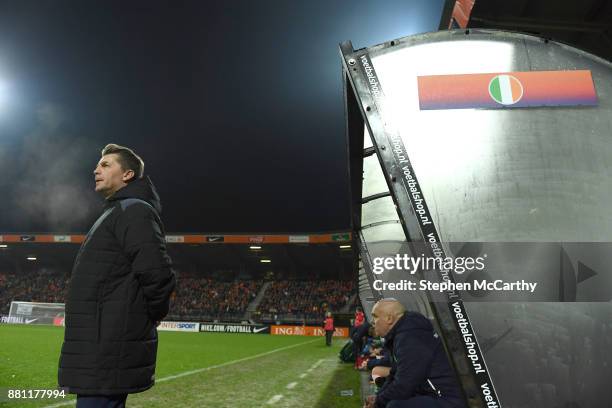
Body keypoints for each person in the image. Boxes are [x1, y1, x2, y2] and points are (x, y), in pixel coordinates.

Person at [58, 144, 176, 408]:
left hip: (107, 346)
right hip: (98, 345)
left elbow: (158, 275)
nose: (96, 169)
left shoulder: (134, 211)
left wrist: (146, 318)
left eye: (106, 164)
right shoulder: (115, 211)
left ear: (127, 175)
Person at [364, 299, 466, 408]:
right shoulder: (403, 334)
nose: (373, 322)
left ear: (389, 319)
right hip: (431, 394)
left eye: (375, 316)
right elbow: (395, 375)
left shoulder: (410, 338)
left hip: (447, 399)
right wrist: (378, 397)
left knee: (395, 406)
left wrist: (378, 402)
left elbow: (404, 385)